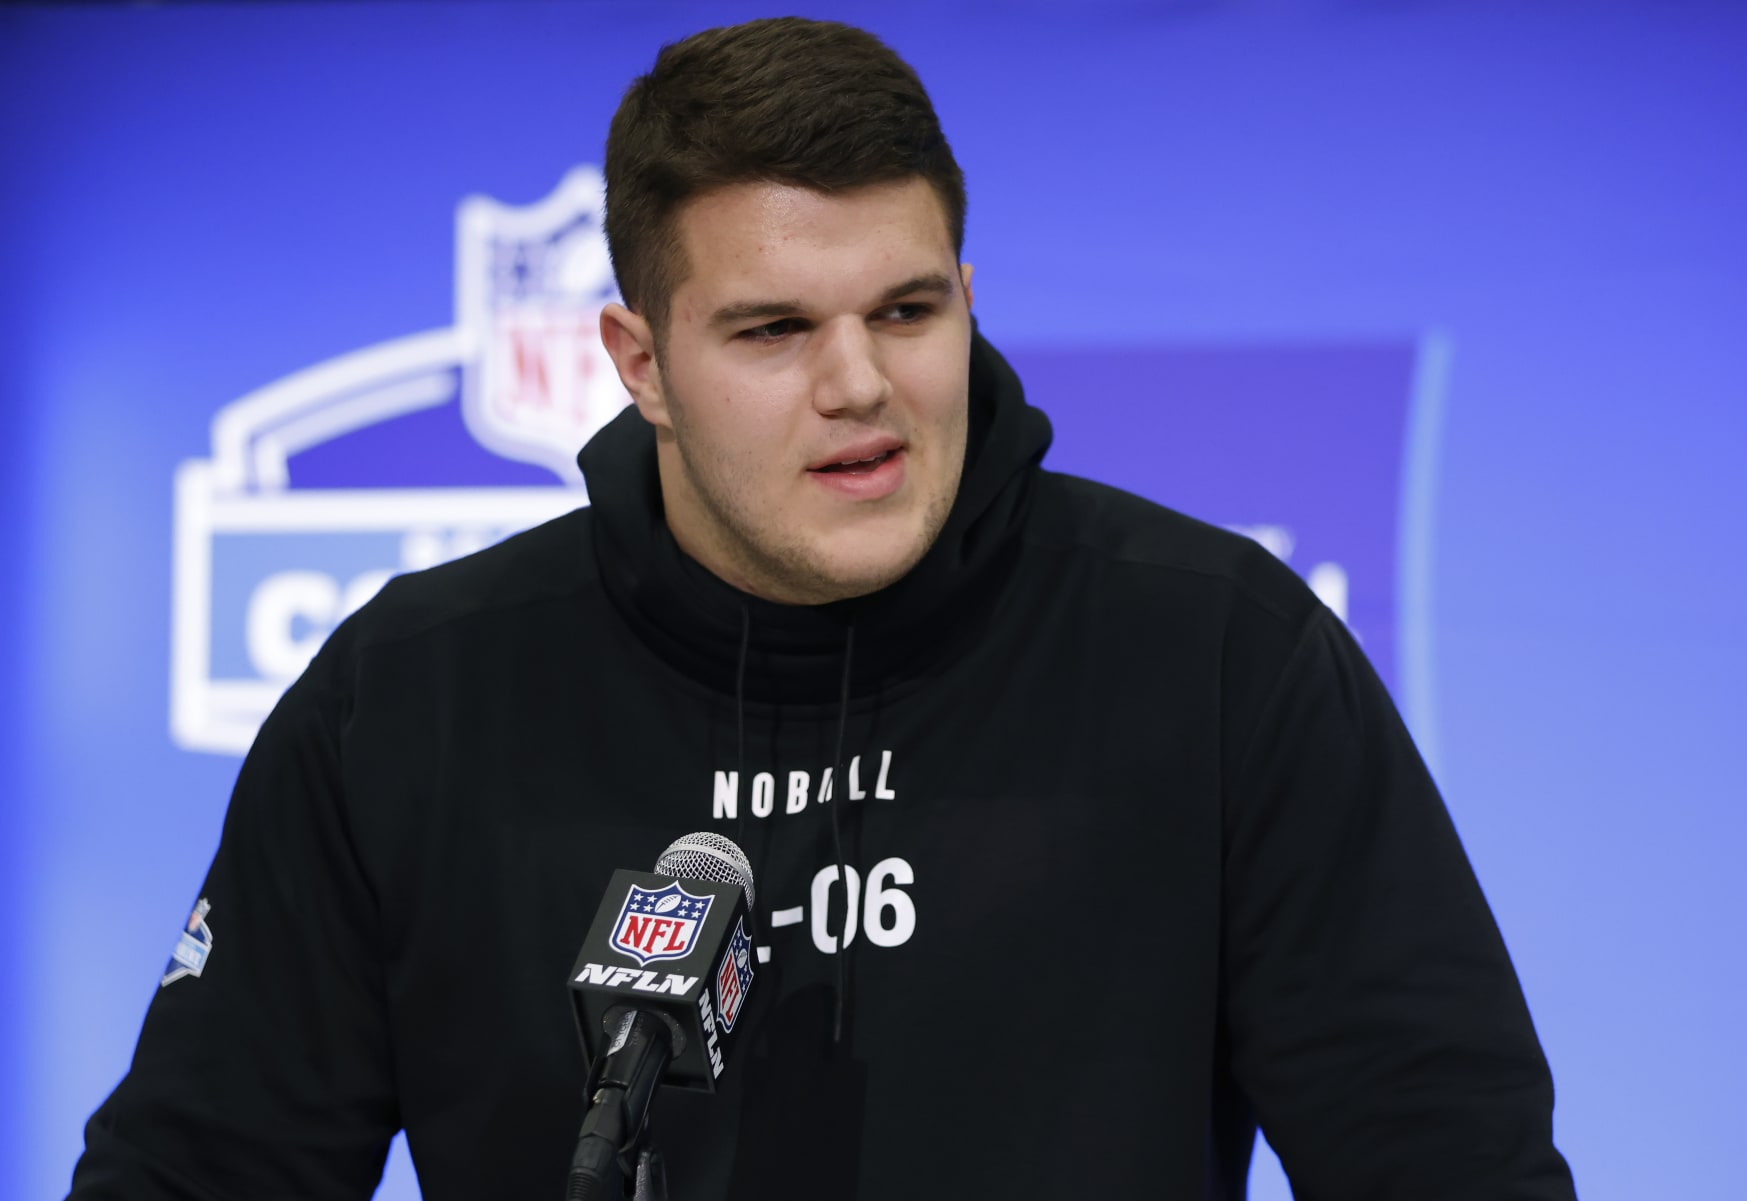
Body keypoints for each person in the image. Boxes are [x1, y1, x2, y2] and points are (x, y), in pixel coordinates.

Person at [70, 17, 1577, 1201]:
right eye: (775, 328)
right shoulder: (407, 700)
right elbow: (199, 1172)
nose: (860, 383)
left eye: (907, 311)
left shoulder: (1220, 653)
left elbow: (1451, 1161)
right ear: (639, 359)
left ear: (968, 296)